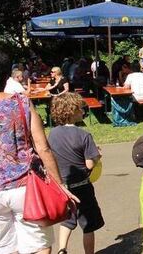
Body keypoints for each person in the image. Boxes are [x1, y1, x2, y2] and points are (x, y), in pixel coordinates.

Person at [0, 47, 78, 254]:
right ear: (6, 74)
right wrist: (59, 185)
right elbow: (43, 147)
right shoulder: (21, 103)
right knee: (39, 247)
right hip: (27, 187)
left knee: (4, 250)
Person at [48, 93, 104, 254]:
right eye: (80, 108)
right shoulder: (83, 135)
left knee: (67, 220)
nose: (83, 111)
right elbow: (89, 163)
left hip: (63, 186)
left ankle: (62, 249)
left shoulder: (53, 134)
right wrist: (97, 155)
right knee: (88, 225)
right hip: (82, 186)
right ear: (72, 111)